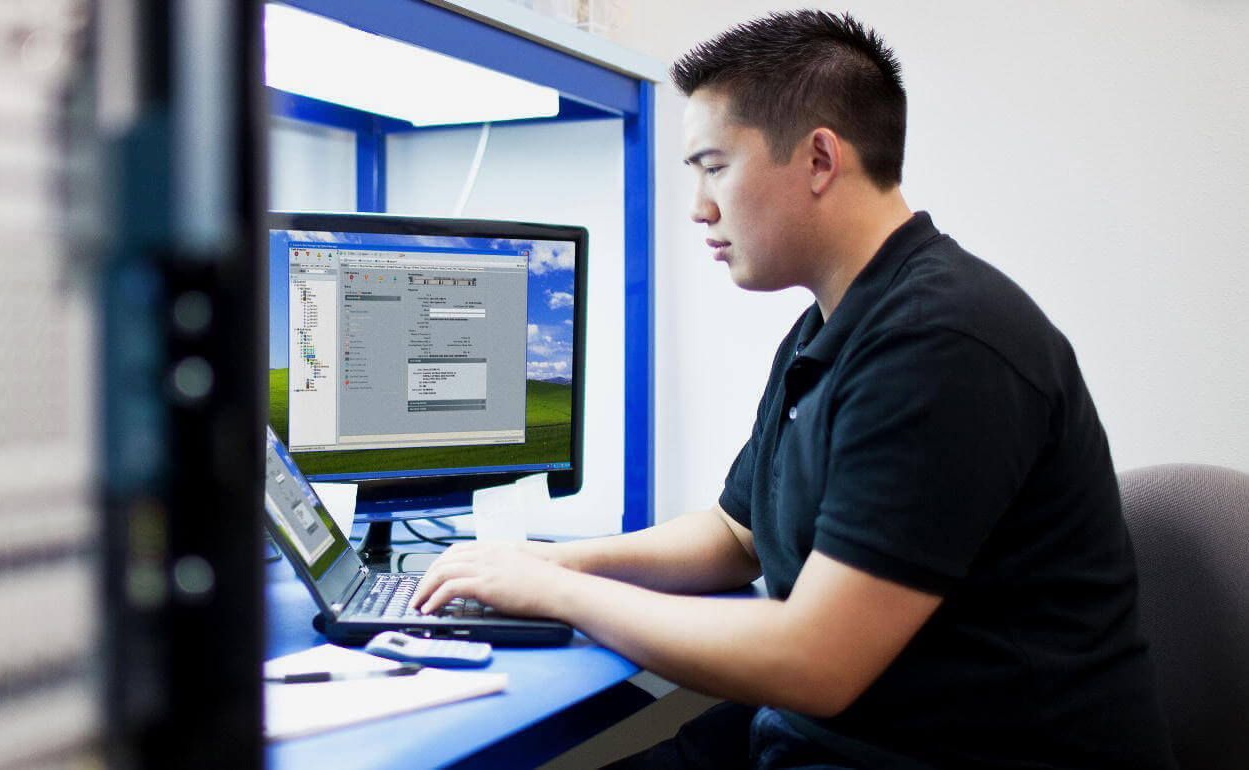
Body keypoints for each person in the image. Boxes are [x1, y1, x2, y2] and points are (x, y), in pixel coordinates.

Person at [409, 10, 1174, 769]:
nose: (699, 206)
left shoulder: (941, 342)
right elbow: (734, 535)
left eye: (714, 166)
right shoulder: (833, 326)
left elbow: (816, 661)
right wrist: (552, 563)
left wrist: (559, 596)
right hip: (829, 737)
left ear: (818, 159)